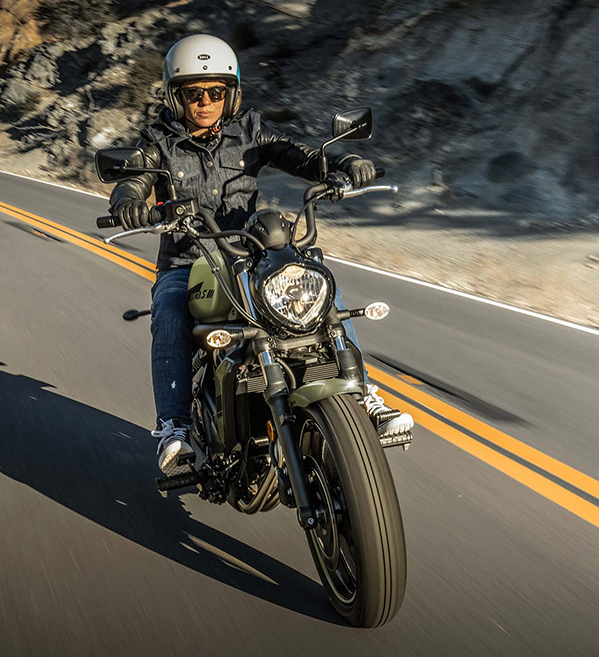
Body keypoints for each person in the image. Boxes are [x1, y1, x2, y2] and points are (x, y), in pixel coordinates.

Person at [108, 34, 413, 476]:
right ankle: (175, 426)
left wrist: (342, 162)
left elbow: (298, 155)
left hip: (249, 257)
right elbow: (133, 180)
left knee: (314, 280)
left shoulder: (250, 130)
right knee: (170, 308)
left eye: (216, 92)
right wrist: (128, 201)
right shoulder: (159, 142)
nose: (206, 102)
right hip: (189, 263)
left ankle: (361, 394)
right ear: (176, 96)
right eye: (194, 93)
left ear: (231, 93)